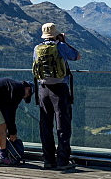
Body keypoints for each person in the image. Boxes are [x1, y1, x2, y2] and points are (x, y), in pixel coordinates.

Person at [32, 23, 81, 170]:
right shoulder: (60, 46)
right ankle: (62, 161)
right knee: (62, 125)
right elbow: (77, 56)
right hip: (59, 90)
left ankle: (48, 160)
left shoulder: (37, 48)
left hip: (43, 89)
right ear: (56, 34)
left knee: (45, 125)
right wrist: (64, 42)